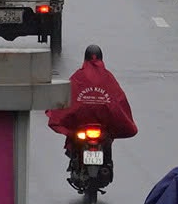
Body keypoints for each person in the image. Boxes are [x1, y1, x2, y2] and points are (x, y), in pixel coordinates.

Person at [48, 45, 138, 183]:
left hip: (84, 125)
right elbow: (118, 98)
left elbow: (68, 94)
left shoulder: (79, 76)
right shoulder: (107, 77)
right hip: (100, 126)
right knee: (107, 138)